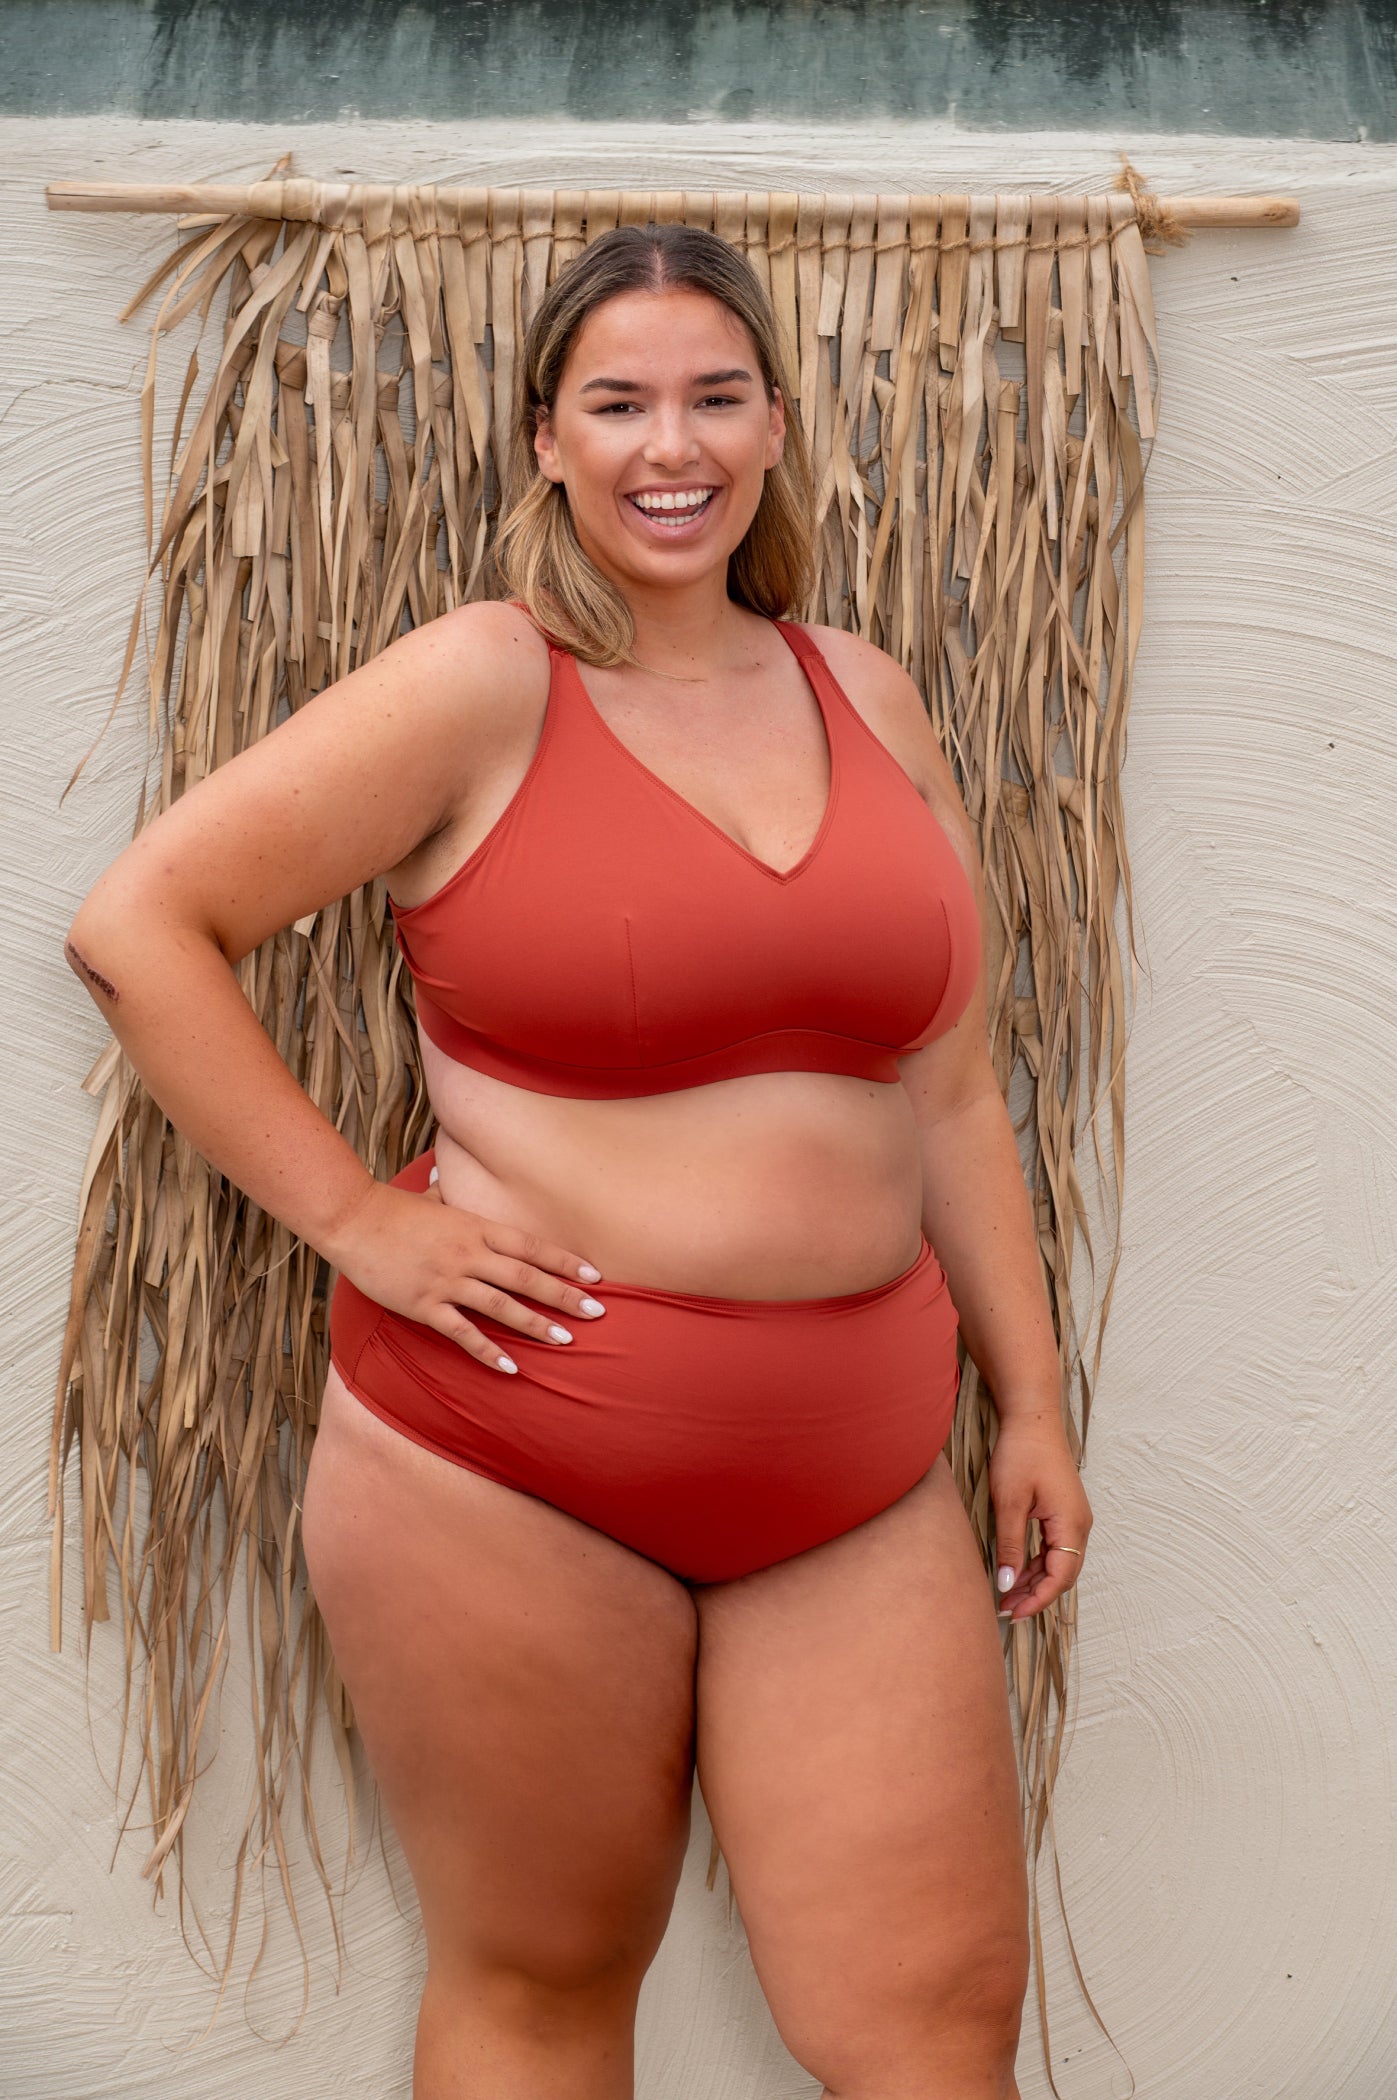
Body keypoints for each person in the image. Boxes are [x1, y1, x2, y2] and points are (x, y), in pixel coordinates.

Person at [64, 220, 1092, 2100]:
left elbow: (947, 1093)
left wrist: (1028, 1402)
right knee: (543, 1990)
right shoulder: (482, 682)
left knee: (931, 2029)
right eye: (614, 402)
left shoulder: (863, 694)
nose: (666, 445)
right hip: (509, 1460)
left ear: (778, 423)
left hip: (856, 1479)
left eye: (712, 395)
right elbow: (143, 926)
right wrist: (355, 1218)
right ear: (545, 436)